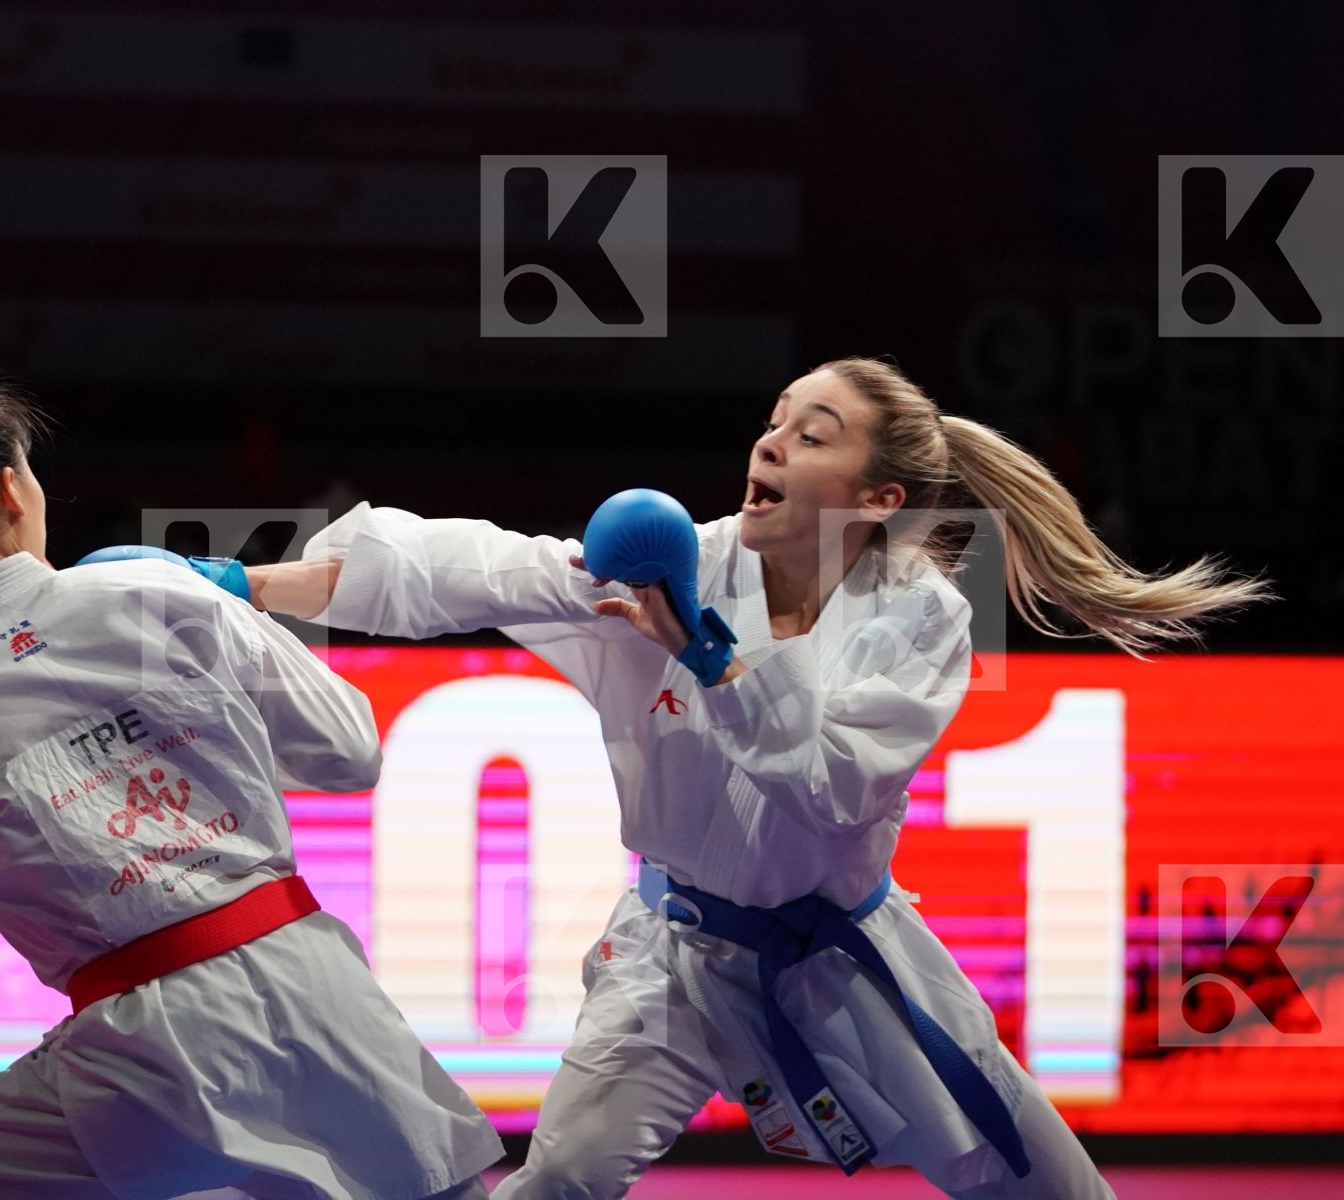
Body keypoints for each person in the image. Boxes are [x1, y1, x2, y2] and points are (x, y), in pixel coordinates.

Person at [245, 357, 1268, 1199]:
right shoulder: (666, 565)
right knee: (561, 1177)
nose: (772, 442)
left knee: (1044, 1185)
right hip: (673, 953)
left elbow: (832, 786)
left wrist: (708, 656)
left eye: (814, 433)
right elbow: (454, 569)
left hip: (842, 964)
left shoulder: (920, 619)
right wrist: (246, 587)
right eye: (775, 422)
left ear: (880, 500)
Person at [0, 378, 501, 1200]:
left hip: (130, 1061)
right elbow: (349, 754)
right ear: (9, 489)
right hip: (311, 1002)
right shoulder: (157, 590)